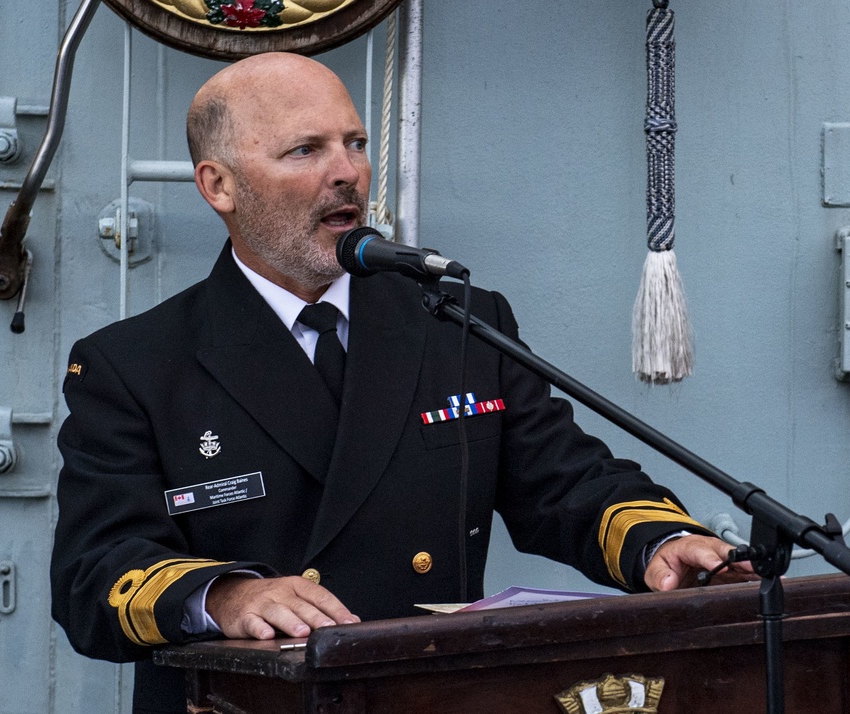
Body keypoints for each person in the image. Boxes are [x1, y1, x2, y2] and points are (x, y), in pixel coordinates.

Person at [50, 52, 750, 714]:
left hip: (429, 695)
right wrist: (226, 596)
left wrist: (660, 545)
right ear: (219, 186)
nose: (347, 171)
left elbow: (565, 483)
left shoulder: (455, 322)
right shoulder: (136, 365)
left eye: (354, 143)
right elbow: (93, 577)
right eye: (306, 150)